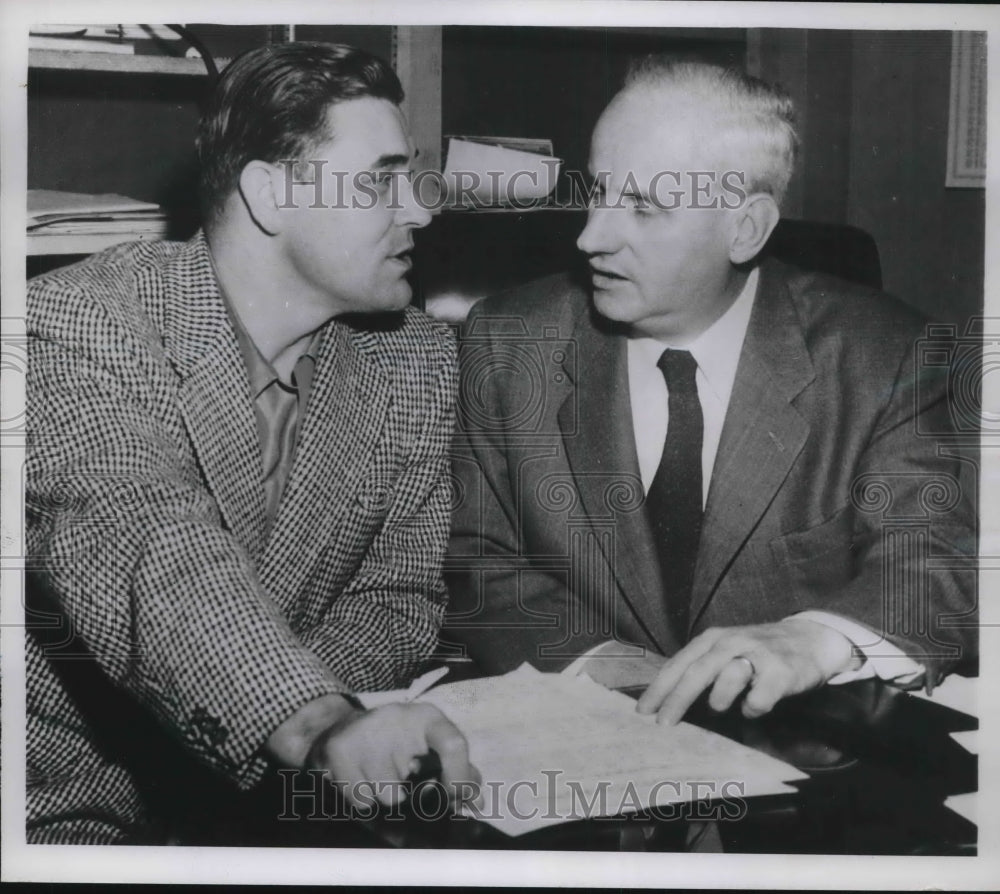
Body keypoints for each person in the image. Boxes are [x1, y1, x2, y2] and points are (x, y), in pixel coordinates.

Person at [26, 42, 477, 845]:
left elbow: (397, 601)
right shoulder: (77, 322)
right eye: (380, 179)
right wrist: (312, 724)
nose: (420, 210)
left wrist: (286, 765)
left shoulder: (411, 358)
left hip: (269, 802)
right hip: (60, 801)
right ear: (272, 193)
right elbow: (145, 541)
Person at [445, 60, 977, 725]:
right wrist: (609, 668)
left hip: (798, 768)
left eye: (643, 207)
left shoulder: (884, 354)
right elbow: (477, 560)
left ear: (745, 228)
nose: (591, 238)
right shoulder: (509, 341)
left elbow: (930, 565)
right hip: (579, 739)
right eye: (599, 192)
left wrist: (813, 638)